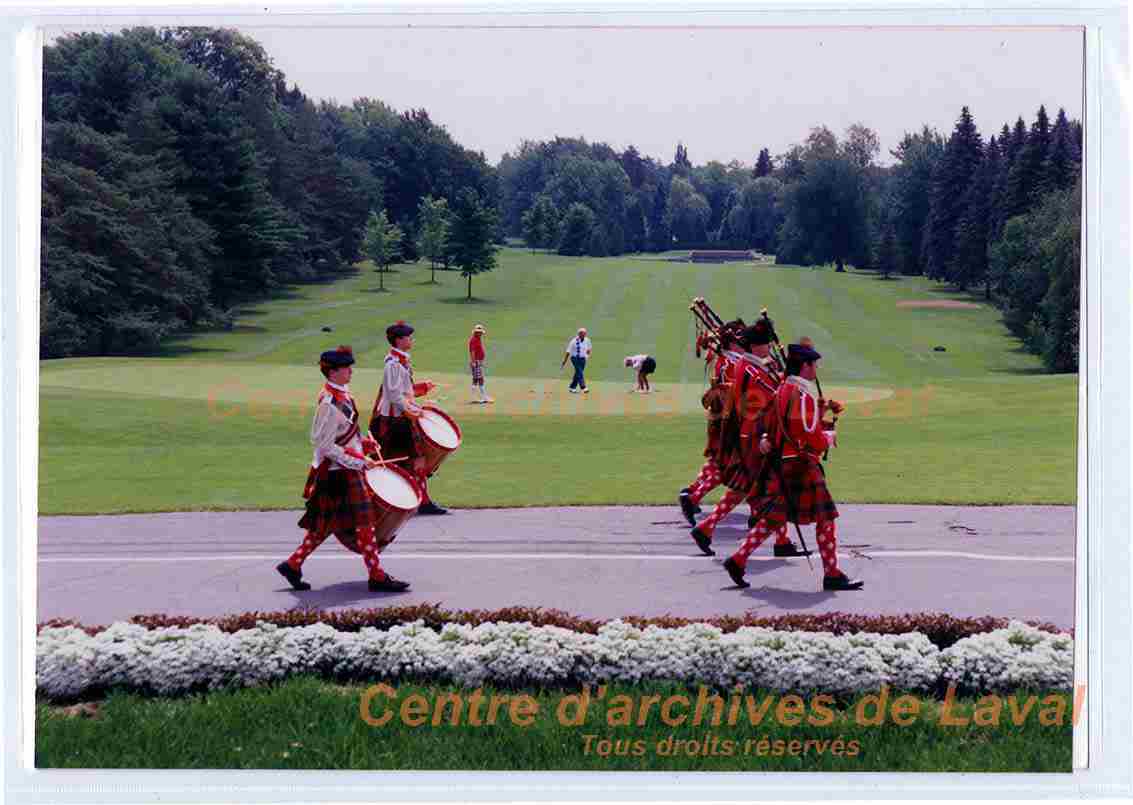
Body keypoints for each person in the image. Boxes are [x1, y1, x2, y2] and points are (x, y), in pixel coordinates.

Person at [722, 341, 861, 591]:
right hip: (801, 464)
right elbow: (806, 432)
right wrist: (827, 437)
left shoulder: (782, 389)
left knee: (773, 519)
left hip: (782, 463)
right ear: (804, 366)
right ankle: (831, 574)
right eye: (813, 364)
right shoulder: (802, 394)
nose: (816, 369)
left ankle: (738, 559)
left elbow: (772, 422)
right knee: (826, 518)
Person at [276, 346, 410, 593]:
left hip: (345, 468)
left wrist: (363, 443)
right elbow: (324, 446)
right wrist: (359, 461)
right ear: (333, 372)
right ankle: (377, 576)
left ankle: (293, 564)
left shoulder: (343, 395)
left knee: (326, 525)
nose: (351, 371)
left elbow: (346, 432)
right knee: (365, 522)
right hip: (338, 471)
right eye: (347, 367)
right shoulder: (328, 404)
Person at [688, 319, 803, 558]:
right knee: (773, 489)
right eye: (765, 344)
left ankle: (710, 527)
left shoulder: (749, 365)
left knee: (744, 488)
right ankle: (776, 542)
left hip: (752, 434)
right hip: (757, 435)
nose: (769, 347)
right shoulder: (751, 369)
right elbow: (770, 396)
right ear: (755, 346)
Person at [369, 321, 448, 515]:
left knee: (412, 462)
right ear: (398, 340)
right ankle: (394, 502)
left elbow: (403, 391)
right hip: (394, 421)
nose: (411, 339)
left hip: (399, 418)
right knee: (399, 463)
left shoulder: (401, 361)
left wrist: (421, 388)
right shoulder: (393, 364)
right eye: (408, 337)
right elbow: (395, 395)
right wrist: (412, 411)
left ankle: (421, 501)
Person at [678, 320, 743, 525]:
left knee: (717, 461)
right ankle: (693, 496)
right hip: (730, 422)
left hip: (722, 420)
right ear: (732, 343)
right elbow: (734, 393)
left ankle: (692, 490)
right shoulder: (730, 363)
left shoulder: (728, 360)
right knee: (726, 466)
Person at [562, 327, 592, 393]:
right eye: (581, 333)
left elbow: (589, 349)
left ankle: (572, 387)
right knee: (580, 372)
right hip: (575, 358)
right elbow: (568, 351)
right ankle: (583, 387)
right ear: (579, 334)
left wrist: (586, 357)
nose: (583, 335)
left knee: (578, 373)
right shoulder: (574, 341)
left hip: (583, 359)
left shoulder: (587, 340)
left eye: (584, 333)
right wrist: (564, 360)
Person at [468, 324, 493, 404]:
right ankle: (483, 397)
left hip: (478, 361)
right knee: (480, 379)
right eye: (479, 332)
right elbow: (472, 351)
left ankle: (475, 397)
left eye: (481, 332)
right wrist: (473, 361)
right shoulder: (473, 340)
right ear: (476, 332)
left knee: (476, 379)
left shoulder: (478, 339)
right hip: (476, 362)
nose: (481, 334)